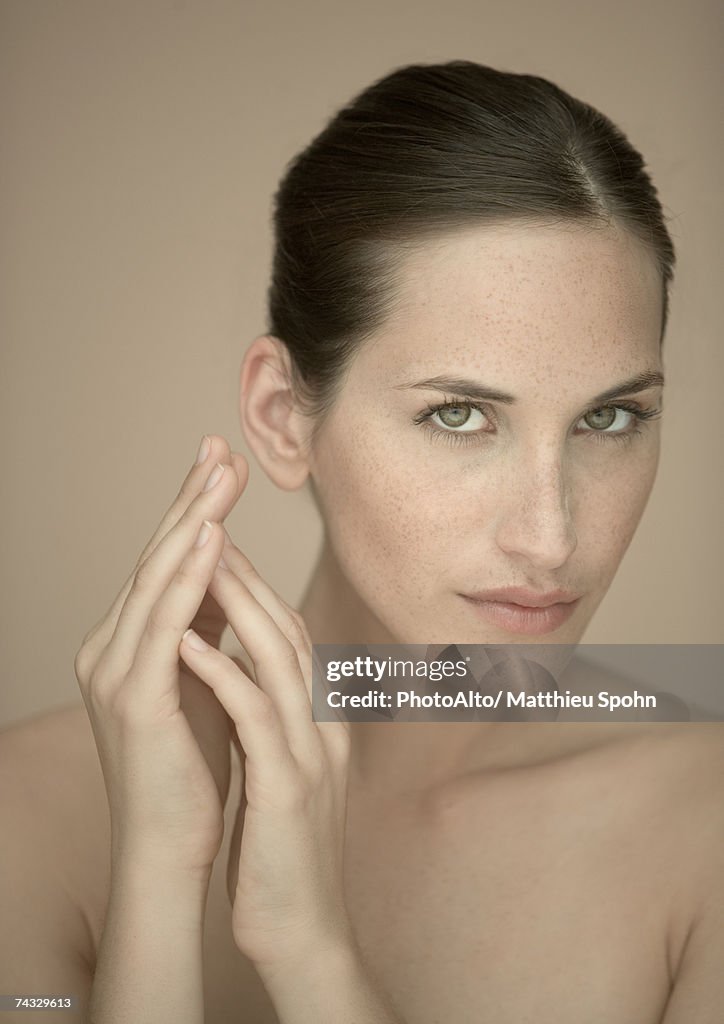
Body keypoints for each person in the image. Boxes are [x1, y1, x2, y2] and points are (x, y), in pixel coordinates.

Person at [1, 59, 722, 1023]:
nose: (552, 538)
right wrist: (159, 880)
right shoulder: (27, 818)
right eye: (461, 416)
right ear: (283, 416)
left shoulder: (703, 830)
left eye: (611, 419)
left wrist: (311, 955)